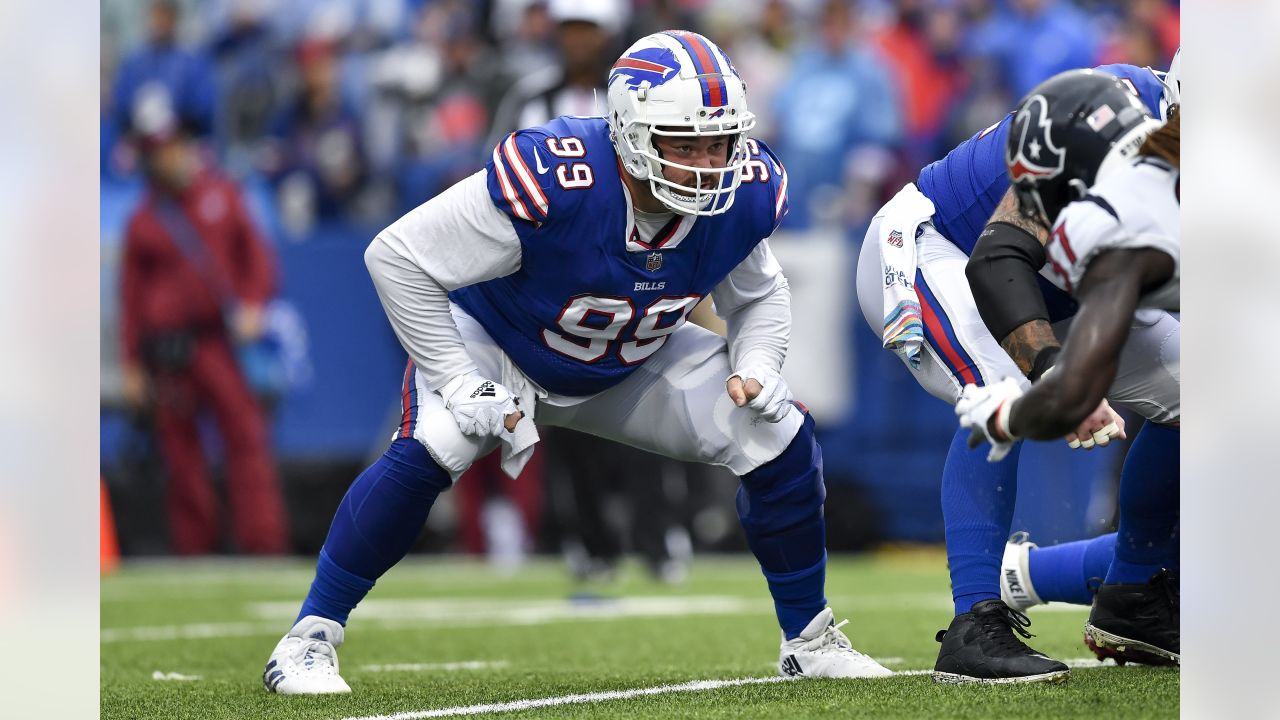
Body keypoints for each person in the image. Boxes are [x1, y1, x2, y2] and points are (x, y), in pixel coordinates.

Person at [263, 30, 891, 695]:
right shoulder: (559, 175)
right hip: (502, 341)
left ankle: (810, 640)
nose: (709, 163)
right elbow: (396, 257)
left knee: (780, 432)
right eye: (684, 143)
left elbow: (761, 295)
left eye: (720, 141)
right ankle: (308, 638)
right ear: (627, 132)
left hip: (630, 359)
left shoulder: (744, 189)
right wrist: (458, 378)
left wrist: (759, 365)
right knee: (438, 439)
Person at [853, 59, 1178, 683]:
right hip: (940, 248)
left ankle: (1136, 595)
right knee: (1001, 387)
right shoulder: (1105, 113)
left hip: (1068, 286)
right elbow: (999, 256)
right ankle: (974, 620)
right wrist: (1058, 373)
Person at [958, 71, 1180, 665]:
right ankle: (1129, 590)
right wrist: (1016, 410)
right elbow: (1073, 386)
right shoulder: (1125, 221)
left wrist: (1008, 419)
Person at [119, 114, 288, 556]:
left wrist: (254, 303)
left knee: (246, 439)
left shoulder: (221, 195)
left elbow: (258, 259)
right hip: (167, 351)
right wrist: (133, 362)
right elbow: (131, 299)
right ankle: (195, 548)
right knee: (181, 454)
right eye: (159, 151)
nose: (169, 157)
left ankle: (262, 541)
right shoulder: (144, 219)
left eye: (173, 146)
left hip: (218, 342)